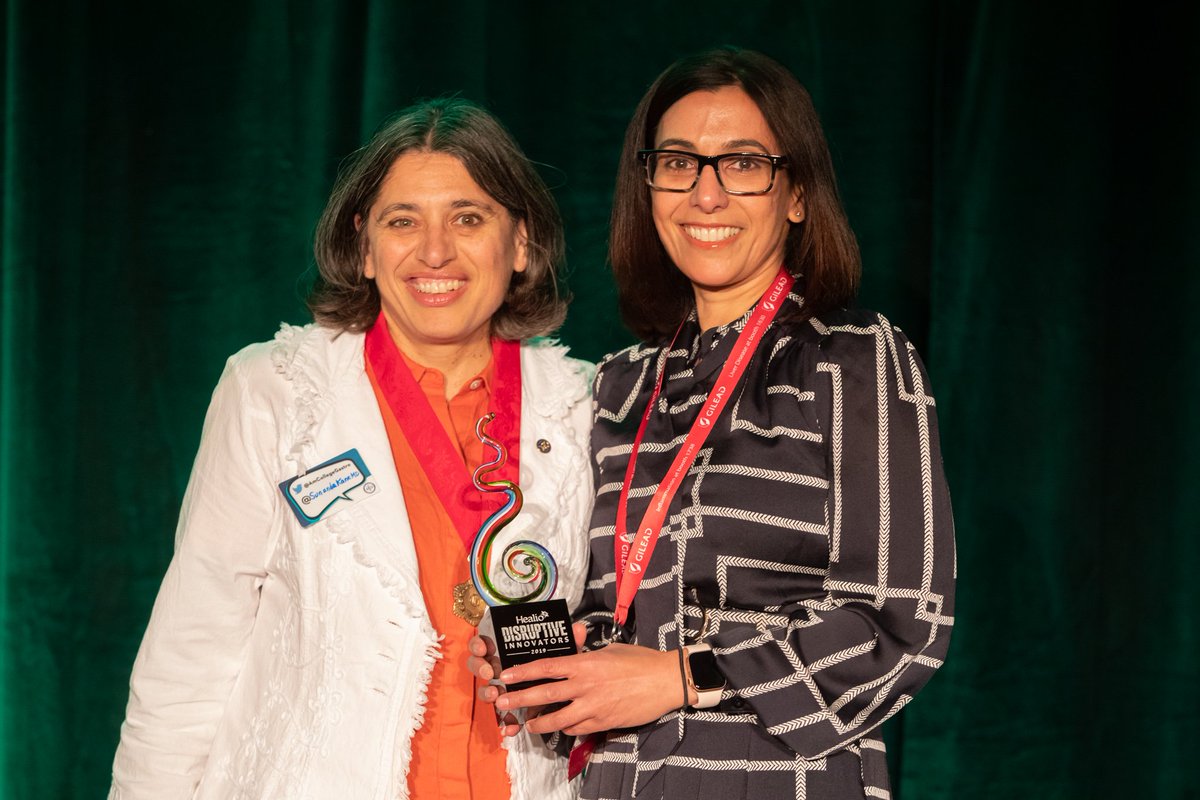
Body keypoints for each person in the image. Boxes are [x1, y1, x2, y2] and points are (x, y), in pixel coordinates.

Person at [469, 47, 955, 799]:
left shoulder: (853, 359)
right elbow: (619, 615)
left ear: (796, 194)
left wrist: (683, 676)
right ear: (649, 186)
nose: (706, 193)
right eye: (680, 163)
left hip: (782, 780)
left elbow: (898, 625)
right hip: (620, 781)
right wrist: (555, 664)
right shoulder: (620, 384)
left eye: (742, 163)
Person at [109, 98, 594, 800]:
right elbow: (187, 661)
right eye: (403, 222)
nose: (434, 252)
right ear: (363, 245)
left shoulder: (588, 405)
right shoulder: (275, 392)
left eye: (468, 218)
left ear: (520, 244)